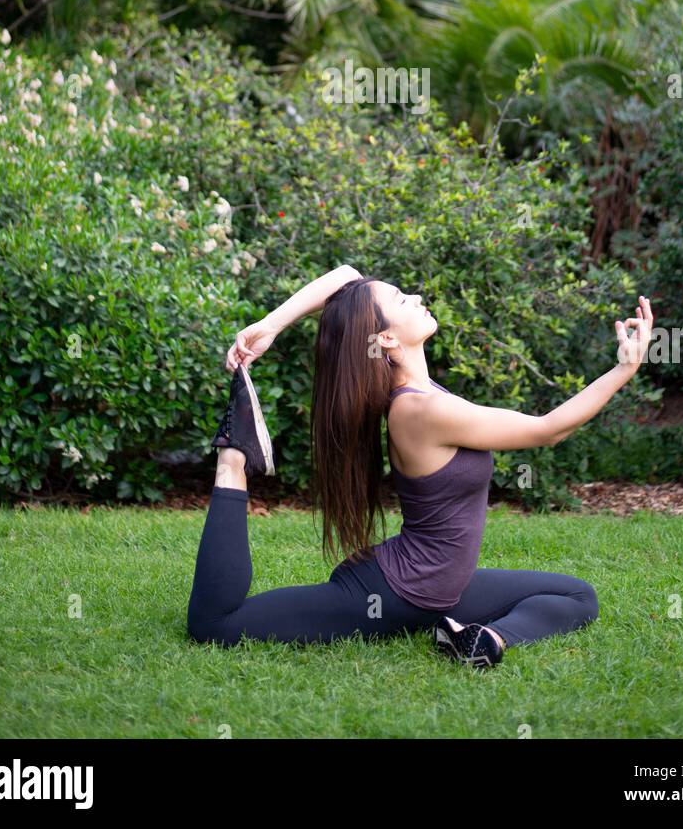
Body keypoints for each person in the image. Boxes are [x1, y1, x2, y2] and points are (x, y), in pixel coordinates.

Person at [186, 266, 654, 670]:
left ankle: (482, 639)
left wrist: (270, 325)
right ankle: (234, 459)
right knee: (216, 624)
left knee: (577, 596)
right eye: (400, 299)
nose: (416, 297)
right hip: (393, 593)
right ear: (386, 337)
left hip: (441, 589)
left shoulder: (426, 396)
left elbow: (349, 279)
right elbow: (547, 429)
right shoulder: (418, 412)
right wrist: (623, 371)